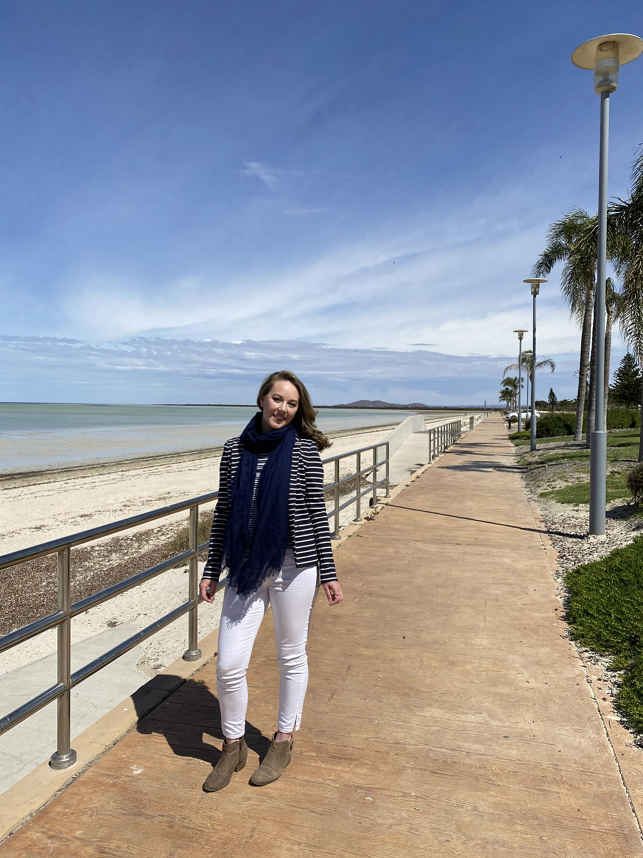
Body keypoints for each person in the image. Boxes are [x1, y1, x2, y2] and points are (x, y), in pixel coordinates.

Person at [199, 370, 343, 792]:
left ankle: (282, 740)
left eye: (292, 403)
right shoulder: (232, 451)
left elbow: (317, 515)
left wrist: (329, 574)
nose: (283, 408)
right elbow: (224, 513)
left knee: (290, 654)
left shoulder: (304, 451)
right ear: (261, 399)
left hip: (295, 567)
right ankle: (233, 745)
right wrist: (211, 569)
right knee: (227, 664)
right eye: (277, 399)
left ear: (299, 409)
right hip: (245, 567)